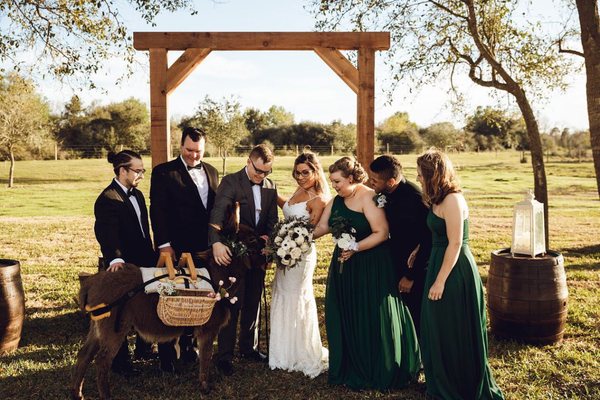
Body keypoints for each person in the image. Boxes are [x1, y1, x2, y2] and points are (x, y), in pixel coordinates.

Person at [312, 156, 420, 390]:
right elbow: (322, 226)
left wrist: (355, 247)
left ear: (351, 178)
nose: (334, 186)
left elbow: (381, 232)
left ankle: (377, 366)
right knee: (348, 310)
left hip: (371, 264)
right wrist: (298, 238)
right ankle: (351, 363)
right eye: (332, 182)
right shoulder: (336, 200)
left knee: (371, 313)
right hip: (345, 266)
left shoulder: (369, 197)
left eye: (338, 181)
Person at [416, 149, 504, 400]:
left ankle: (459, 383)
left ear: (433, 174)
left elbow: (455, 244)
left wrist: (440, 280)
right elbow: (436, 235)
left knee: (454, 326)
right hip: (437, 262)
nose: (419, 178)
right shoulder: (437, 199)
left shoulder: (453, 200)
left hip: (453, 271)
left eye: (421, 174)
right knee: (437, 326)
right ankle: (441, 379)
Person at [149, 126, 219, 372]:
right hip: (175, 249)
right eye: (189, 150)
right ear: (180, 146)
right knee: (171, 295)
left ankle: (190, 346)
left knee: (197, 295)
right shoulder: (163, 172)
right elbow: (157, 211)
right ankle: (167, 351)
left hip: (204, 249)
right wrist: (165, 245)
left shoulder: (211, 171)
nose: (194, 156)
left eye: (198, 151)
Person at [209, 144, 278, 376]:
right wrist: (216, 242)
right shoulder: (231, 181)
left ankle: (249, 347)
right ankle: (225, 355)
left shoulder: (270, 185)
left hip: (258, 253)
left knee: (253, 300)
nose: (262, 176)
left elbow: (271, 220)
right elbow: (217, 214)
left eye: (267, 172)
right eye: (259, 171)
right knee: (232, 302)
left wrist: (270, 246)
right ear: (249, 162)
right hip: (234, 253)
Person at [94, 150, 157, 376]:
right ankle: (121, 363)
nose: (141, 174)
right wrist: (116, 258)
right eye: (137, 170)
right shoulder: (107, 199)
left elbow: (143, 230)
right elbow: (106, 234)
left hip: (144, 261)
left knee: (145, 306)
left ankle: (145, 348)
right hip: (123, 267)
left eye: (143, 170)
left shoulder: (137, 195)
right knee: (121, 314)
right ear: (122, 171)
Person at [269, 151, 329, 378]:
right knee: (281, 293)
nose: (300, 177)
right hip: (285, 252)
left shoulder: (320, 199)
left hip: (301, 255)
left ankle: (299, 351)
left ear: (315, 172)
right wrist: (273, 195)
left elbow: (310, 231)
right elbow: (290, 207)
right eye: (297, 172)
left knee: (296, 297)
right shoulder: (300, 190)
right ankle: (282, 349)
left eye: (305, 173)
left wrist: (289, 244)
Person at [369, 155, 431, 336]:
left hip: (413, 268)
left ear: (391, 181)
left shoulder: (414, 198)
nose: (370, 183)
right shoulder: (387, 193)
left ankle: (419, 357)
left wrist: (410, 276)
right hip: (395, 260)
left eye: (375, 180)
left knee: (414, 314)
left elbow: (426, 240)